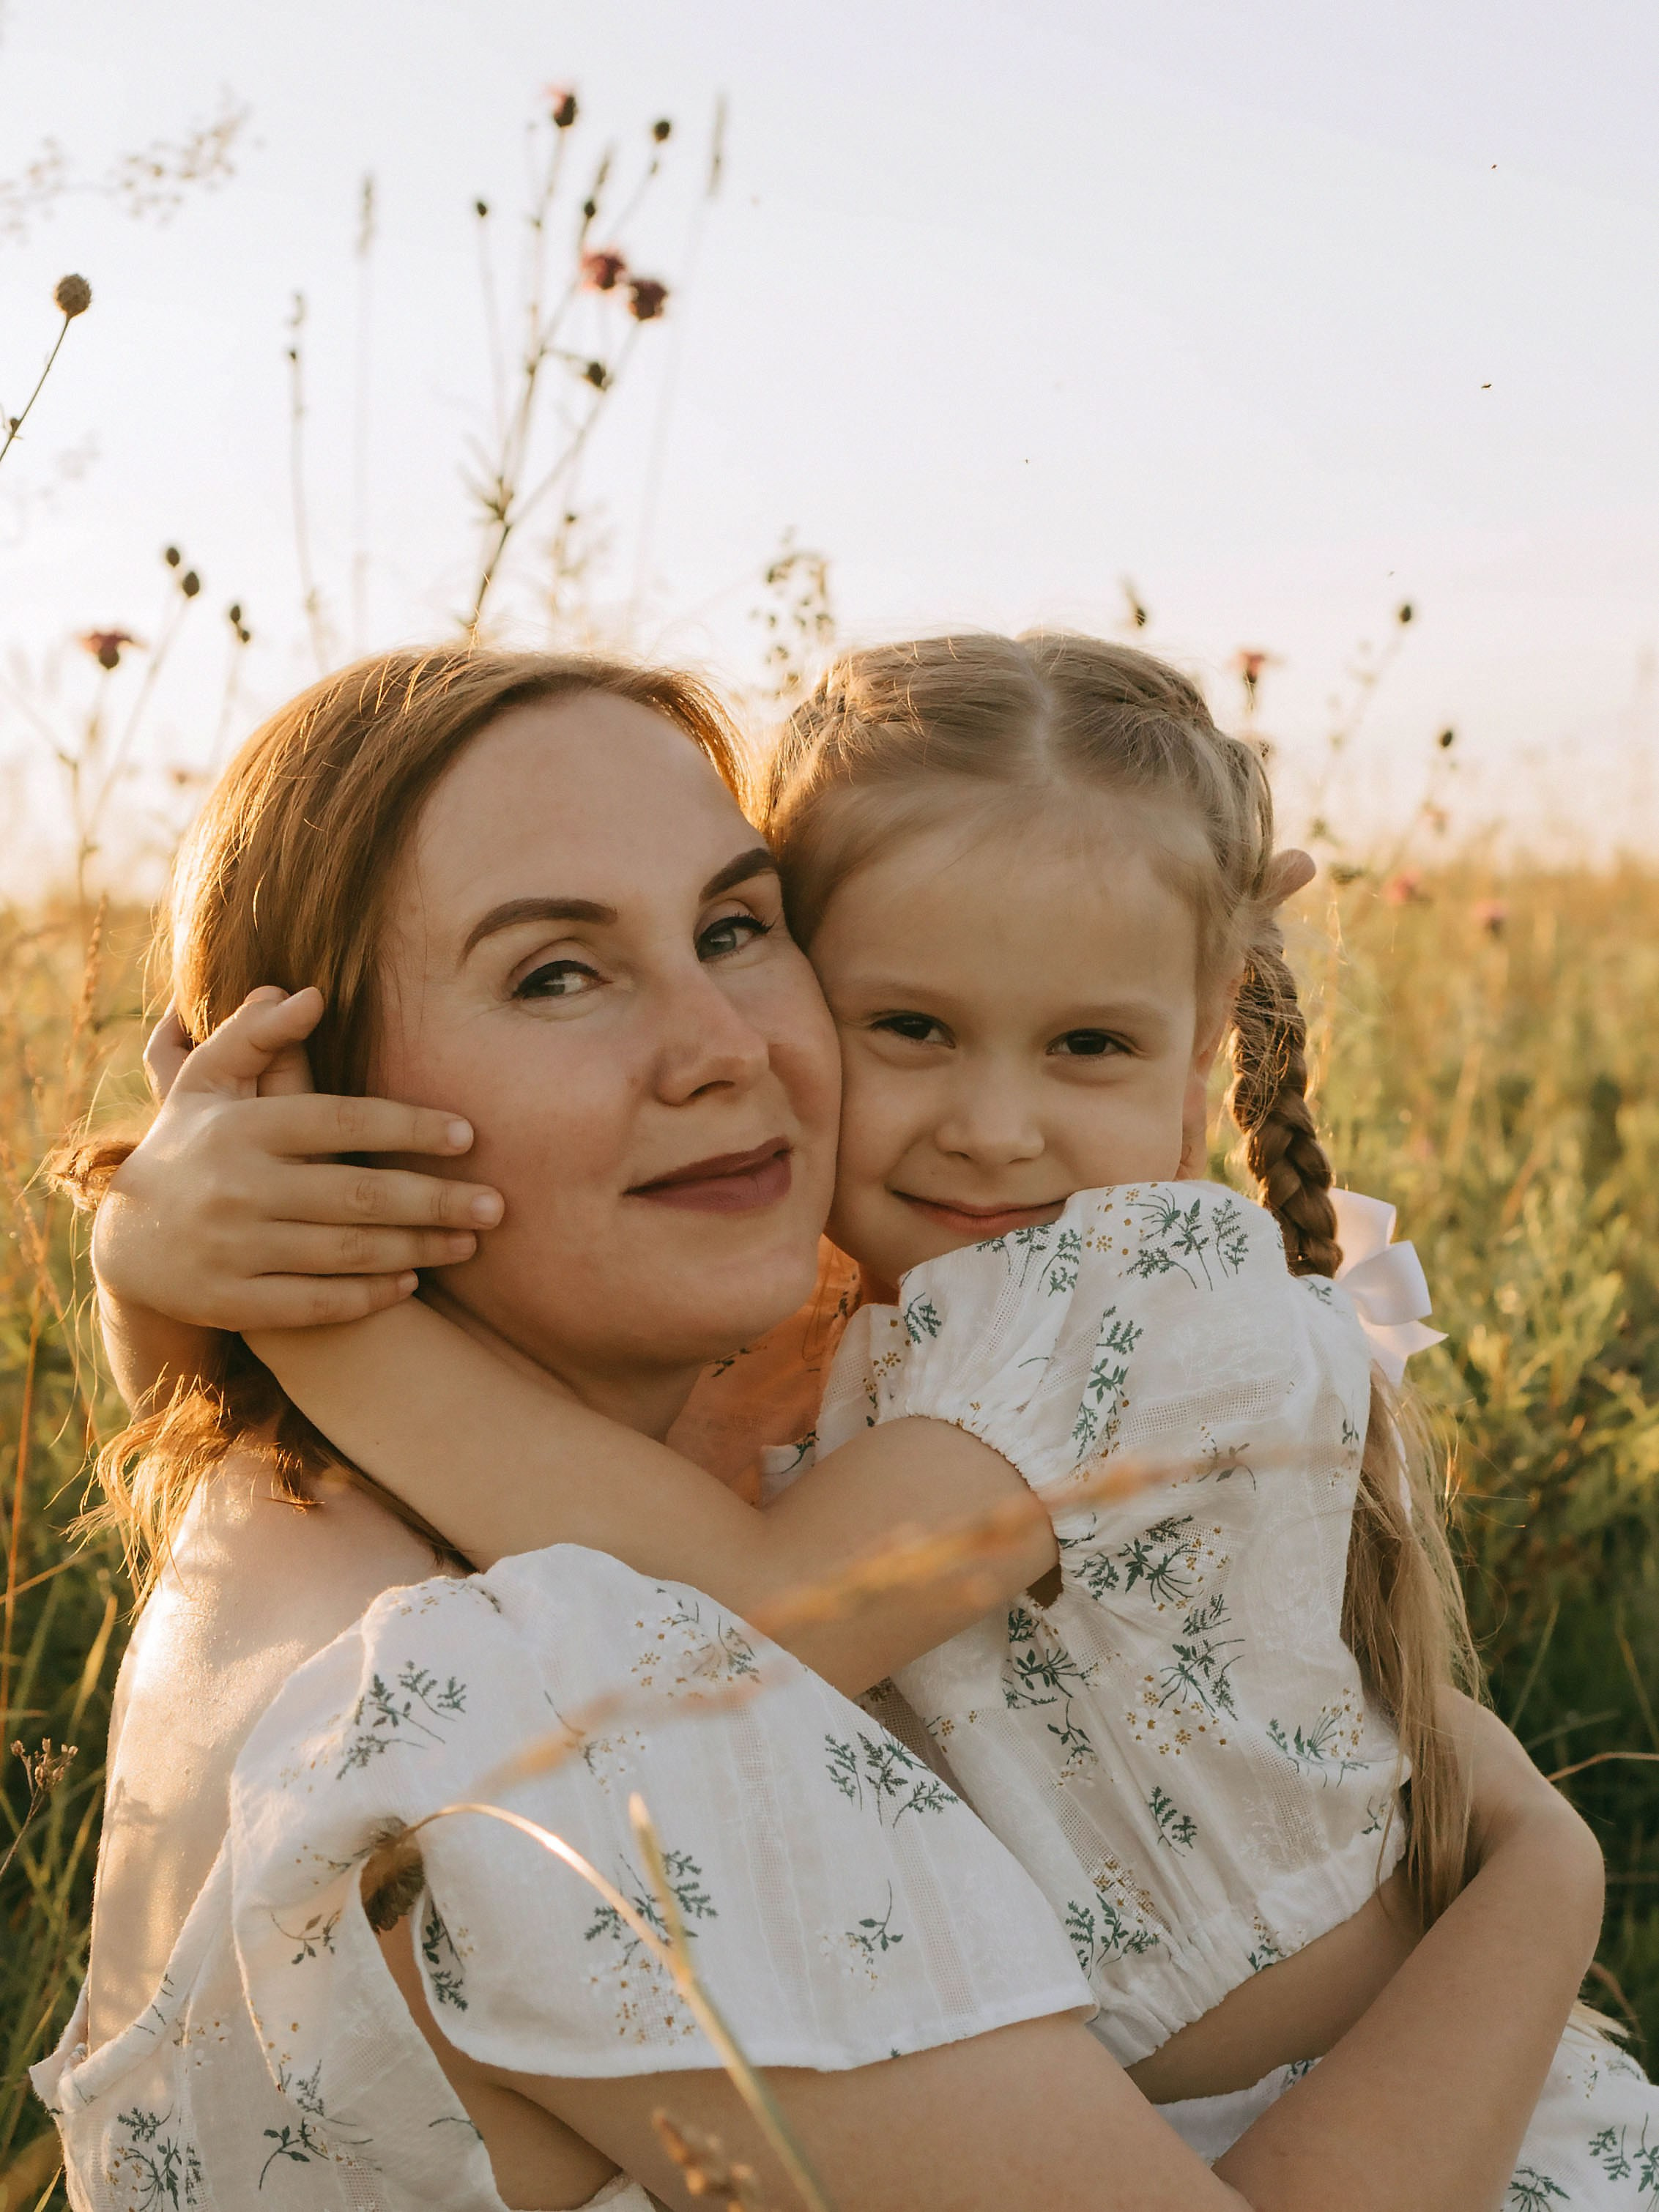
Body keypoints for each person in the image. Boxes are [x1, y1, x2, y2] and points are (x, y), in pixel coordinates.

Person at [62, 644, 1606, 2211]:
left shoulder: (354, 1496)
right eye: (554, 973)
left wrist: (213, 1300)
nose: (726, 1046)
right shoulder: (537, 1696)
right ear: (305, 1105)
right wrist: (1542, 1880)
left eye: (735, 928)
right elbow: (746, 1615)